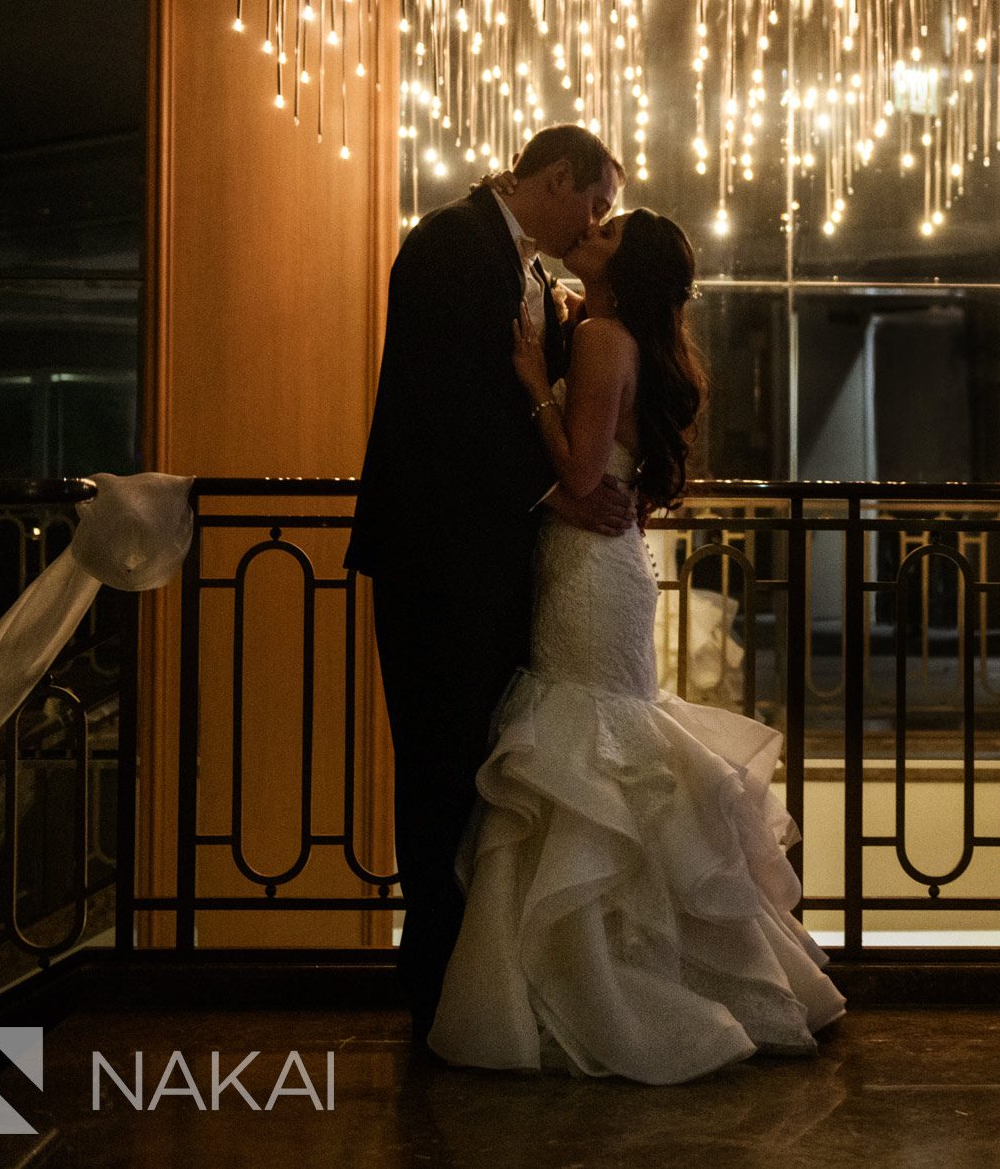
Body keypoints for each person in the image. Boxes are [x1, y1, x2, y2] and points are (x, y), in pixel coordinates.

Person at [427, 207, 843, 1082]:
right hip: (601, 561)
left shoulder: (603, 337)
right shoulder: (622, 334)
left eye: (608, 232)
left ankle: (605, 982)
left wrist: (535, 377)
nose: (590, 231)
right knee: (608, 748)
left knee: (590, 747)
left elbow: (579, 473)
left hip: (586, 565)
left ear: (629, 267)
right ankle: (620, 964)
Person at [346, 124, 636, 1048]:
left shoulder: (533, 273)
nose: (596, 222)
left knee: (486, 774)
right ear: (554, 178)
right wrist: (556, 490)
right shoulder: (449, 245)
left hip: (497, 563)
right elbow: (447, 408)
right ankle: (434, 990)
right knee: (440, 767)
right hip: (438, 559)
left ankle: (485, 982)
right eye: (592, 204)